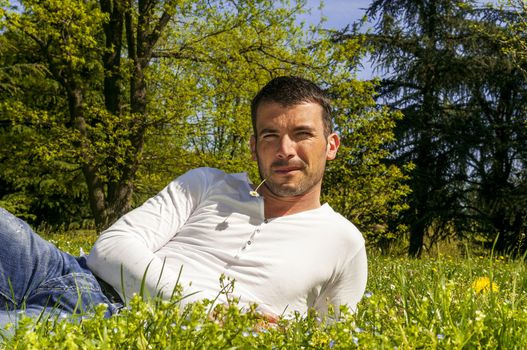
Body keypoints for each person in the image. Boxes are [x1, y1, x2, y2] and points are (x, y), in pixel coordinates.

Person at [0, 76, 367, 327]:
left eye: (302, 134)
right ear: (255, 146)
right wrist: (201, 307)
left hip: (118, 322)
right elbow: (109, 248)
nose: (285, 150)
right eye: (270, 135)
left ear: (331, 145)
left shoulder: (344, 243)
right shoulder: (206, 182)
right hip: (67, 270)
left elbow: (326, 338)